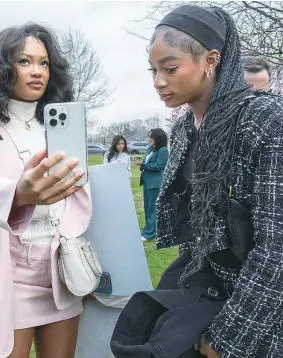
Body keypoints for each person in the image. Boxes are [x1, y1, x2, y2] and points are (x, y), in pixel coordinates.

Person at [112, 5, 283, 358]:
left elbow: (276, 251)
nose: (158, 81)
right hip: (209, 293)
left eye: (170, 67)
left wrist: (227, 338)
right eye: (154, 69)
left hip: (263, 313)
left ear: (211, 59)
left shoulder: (265, 120)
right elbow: (200, 234)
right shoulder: (186, 128)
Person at [0, 23, 92, 358]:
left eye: (44, 63)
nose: (37, 71)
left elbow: (79, 194)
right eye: (25, 61)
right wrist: (20, 192)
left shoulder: (60, 127)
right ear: (3, 68)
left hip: (62, 269)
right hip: (12, 274)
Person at [134, 128, 168, 242]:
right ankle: (150, 230)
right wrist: (142, 164)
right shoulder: (150, 148)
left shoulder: (163, 150)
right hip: (147, 181)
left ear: (157, 138)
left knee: (153, 208)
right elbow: (147, 162)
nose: (149, 139)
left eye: (151, 137)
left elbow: (159, 166)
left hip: (155, 183)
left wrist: (143, 165)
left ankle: (149, 233)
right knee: (147, 208)